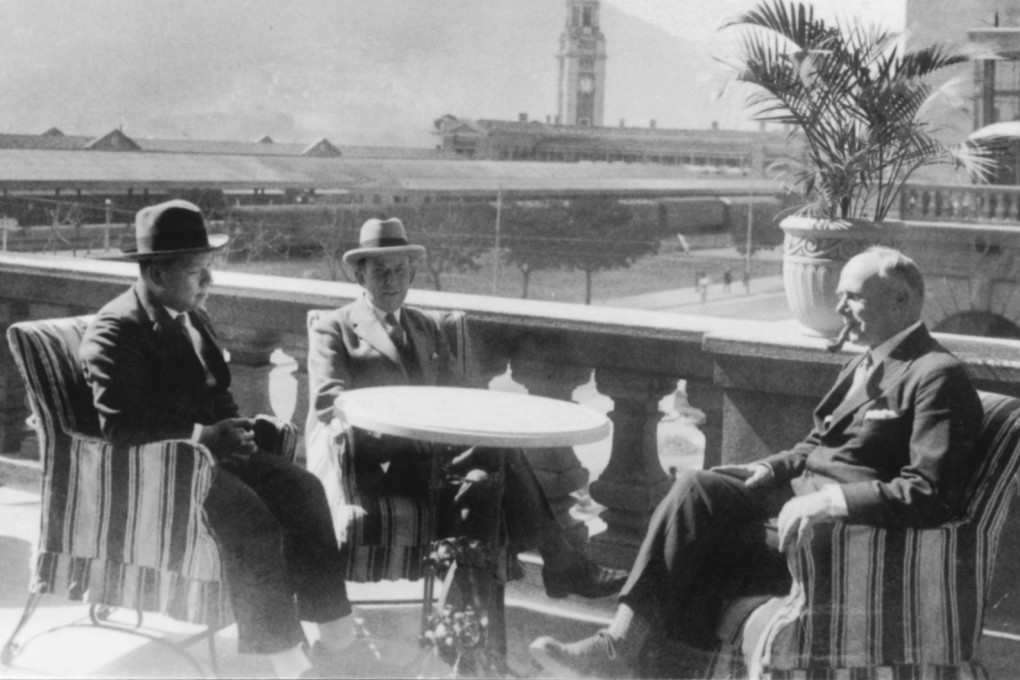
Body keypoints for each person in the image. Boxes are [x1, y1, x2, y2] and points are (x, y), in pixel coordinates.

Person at [529, 247, 984, 678]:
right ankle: (621, 645)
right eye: (840, 295)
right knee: (696, 487)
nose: (841, 308)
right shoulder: (866, 361)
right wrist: (771, 467)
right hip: (794, 505)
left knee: (699, 544)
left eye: (853, 297)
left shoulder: (936, 375)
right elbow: (816, 445)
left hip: (836, 537)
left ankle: (634, 659)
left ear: (902, 300)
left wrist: (831, 500)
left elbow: (931, 491)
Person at [79, 200, 354, 679]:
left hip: (212, 457)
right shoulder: (116, 329)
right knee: (252, 518)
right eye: (196, 272)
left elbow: (215, 391)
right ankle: (287, 661)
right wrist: (202, 435)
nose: (209, 283)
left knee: (304, 488)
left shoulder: (192, 316)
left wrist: (238, 427)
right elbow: (120, 424)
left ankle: (338, 637)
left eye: (209, 270)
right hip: (162, 473)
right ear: (157, 274)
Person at [306, 216, 626, 599]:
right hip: (379, 465)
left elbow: (462, 398)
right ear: (360, 277)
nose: (391, 281)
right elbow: (328, 403)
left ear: (411, 275)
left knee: (482, 484)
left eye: (399, 271)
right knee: (497, 457)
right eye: (379, 272)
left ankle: (468, 623)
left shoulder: (425, 326)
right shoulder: (335, 328)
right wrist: (403, 433)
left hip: (440, 459)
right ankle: (561, 565)